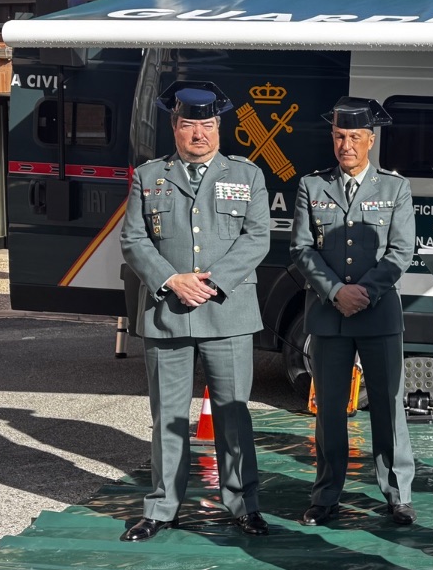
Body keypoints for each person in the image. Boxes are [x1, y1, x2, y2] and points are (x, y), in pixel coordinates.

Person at [119, 80, 271, 541]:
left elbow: (257, 237)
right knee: (167, 414)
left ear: (219, 127)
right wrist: (171, 279)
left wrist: (211, 283)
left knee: (233, 412)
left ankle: (244, 504)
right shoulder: (149, 177)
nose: (199, 134)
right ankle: (163, 508)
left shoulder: (247, 176)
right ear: (174, 126)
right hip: (169, 311)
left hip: (227, 312)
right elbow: (133, 238)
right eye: (189, 125)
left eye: (207, 125)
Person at [289, 97, 418, 526]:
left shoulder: (394, 188)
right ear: (333, 138)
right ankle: (326, 495)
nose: (347, 145)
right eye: (340, 137)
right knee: (329, 410)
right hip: (329, 315)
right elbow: (302, 248)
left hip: (378, 313)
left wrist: (364, 291)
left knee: (387, 406)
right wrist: (334, 292)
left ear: (371, 140)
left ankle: (397, 495)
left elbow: (401, 251)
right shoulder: (312, 186)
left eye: (355, 138)